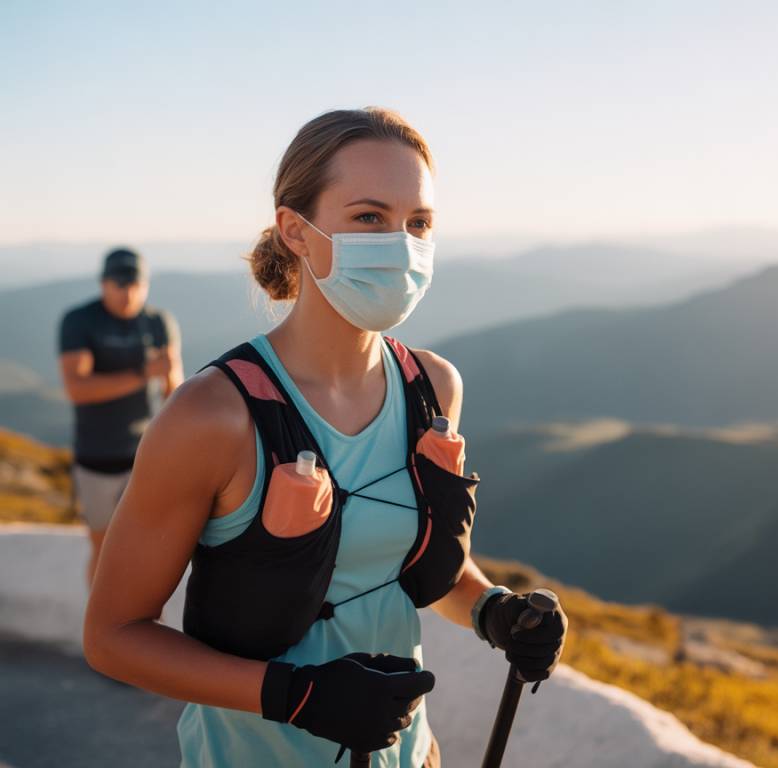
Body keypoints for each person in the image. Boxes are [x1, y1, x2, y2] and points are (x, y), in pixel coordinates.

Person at [83, 108, 568, 768]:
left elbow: (422, 568)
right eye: (369, 217)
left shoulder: (434, 389)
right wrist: (296, 696)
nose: (401, 243)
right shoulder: (213, 416)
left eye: (418, 222)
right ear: (295, 231)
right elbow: (113, 637)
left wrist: (494, 612)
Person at [59, 247, 183, 586]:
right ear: (103, 284)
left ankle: (142, 626)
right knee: (102, 548)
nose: (128, 292)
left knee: (145, 547)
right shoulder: (80, 320)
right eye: (119, 283)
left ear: (145, 285)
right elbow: (77, 388)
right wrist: (144, 373)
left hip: (145, 456)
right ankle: (97, 632)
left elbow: (176, 389)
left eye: (135, 284)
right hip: (95, 457)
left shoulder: (159, 321)